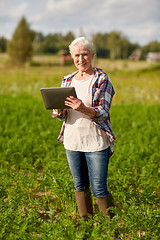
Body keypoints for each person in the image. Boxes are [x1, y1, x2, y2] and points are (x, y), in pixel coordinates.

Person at [52, 37, 116, 222]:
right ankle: (86, 226)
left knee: (99, 188)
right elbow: (64, 115)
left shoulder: (102, 79)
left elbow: (103, 112)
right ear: (72, 57)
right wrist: (58, 110)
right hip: (72, 141)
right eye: (77, 55)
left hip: (96, 142)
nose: (81, 59)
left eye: (85, 54)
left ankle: (111, 228)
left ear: (92, 55)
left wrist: (83, 108)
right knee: (80, 186)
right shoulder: (67, 80)